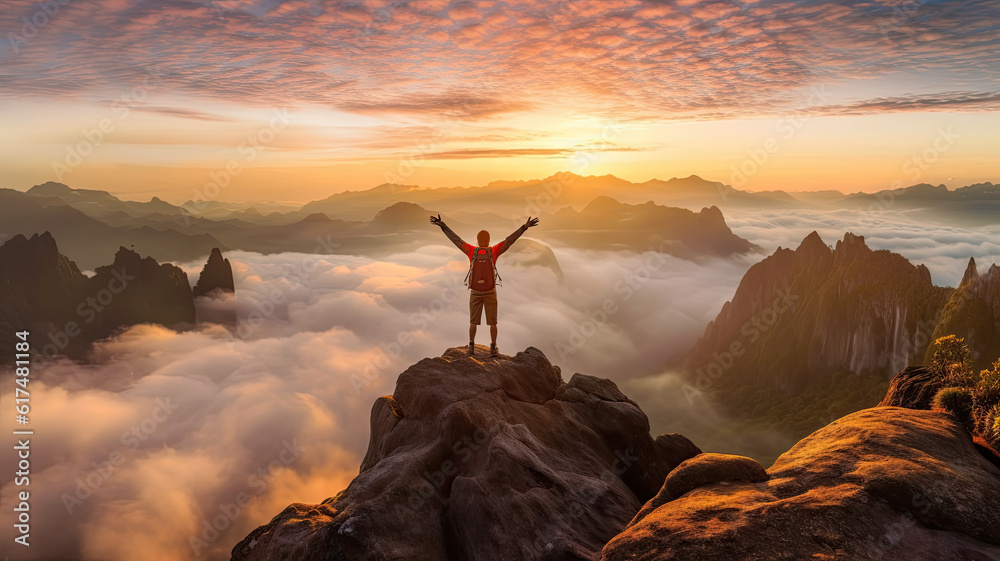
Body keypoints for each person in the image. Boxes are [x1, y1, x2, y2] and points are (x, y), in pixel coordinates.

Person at [430, 214, 540, 357]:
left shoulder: (471, 251)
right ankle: (493, 347)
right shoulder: (493, 251)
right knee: (493, 323)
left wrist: (443, 225)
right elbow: (510, 240)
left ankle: (471, 347)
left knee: (473, 322)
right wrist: (524, 227)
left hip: (475, 291)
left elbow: (456, 240)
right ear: (488, 240)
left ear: (477, 240)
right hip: (490, 291)